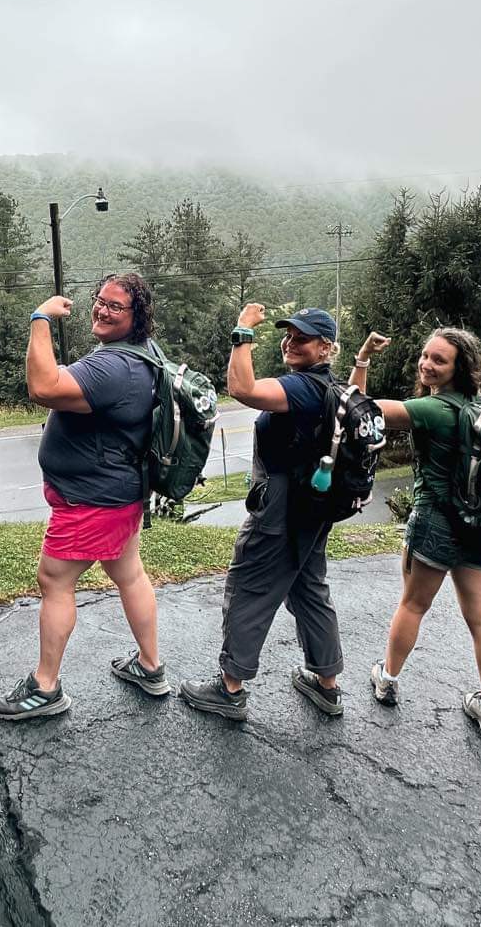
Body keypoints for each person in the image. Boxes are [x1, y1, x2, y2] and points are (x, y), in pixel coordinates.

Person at [0, 273, 170, 720]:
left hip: (93, 500)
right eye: (100, 300)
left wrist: (40, 320)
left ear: (137, 316)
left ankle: (45, 688)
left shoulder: (115, 367)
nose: (102, 310)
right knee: (129, 574)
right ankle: (150, 667)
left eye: (116, 307)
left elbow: (43, 388)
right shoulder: (140, 354)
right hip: (119, 493)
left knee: (55, 581)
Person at [179, 304, 346, 721]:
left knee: (249, 585)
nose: (290, 342)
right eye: (288, 334)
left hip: (281, 508)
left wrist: (242, 331)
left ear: (326, 348)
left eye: (301, 337)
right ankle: (327, 683)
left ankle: (230, 687)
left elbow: (242, 388)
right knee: (308, 587)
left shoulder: (305, 388)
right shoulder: (330, 385)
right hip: (313, 505)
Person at [355, 326, 481, 744]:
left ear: (459, 369)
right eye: (426, 355)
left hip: (437, 523)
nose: (427, 364)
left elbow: (360, 408)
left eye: (439, 360)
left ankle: (387, 680)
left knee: (413, 605)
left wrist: (364, 358)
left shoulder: (432, 409)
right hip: (479, 526)